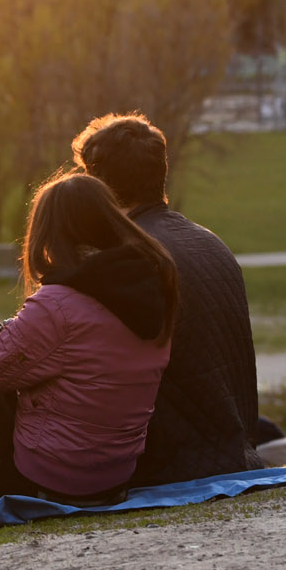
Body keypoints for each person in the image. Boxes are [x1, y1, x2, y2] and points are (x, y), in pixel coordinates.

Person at [0, 170, 177, 507]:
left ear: (50, 232)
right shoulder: (146, 282)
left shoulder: (59, 305)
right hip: (115, 469)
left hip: (52, 476)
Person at [73, 114, 263, 486]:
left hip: (170, 467)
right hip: (237, 454)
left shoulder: (126, 258)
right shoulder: (211, 242)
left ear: (97, 183)